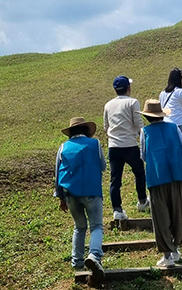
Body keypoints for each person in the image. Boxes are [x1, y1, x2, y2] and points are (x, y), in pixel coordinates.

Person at [139, 99, 182, 268]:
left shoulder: (144, 132)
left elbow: (143, 155)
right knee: (177, 211)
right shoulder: (173, 127)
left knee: (160, 215)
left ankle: (167, 254)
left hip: (157, 176)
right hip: (176, 174)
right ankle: (175, 248)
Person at [55, 117, 106, 282]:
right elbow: (103, 166)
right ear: (86, 130)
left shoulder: (63, 147)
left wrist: (61, 197)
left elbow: (57, 174)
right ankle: (94, 255)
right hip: (92, 191)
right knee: (97, 226)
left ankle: (76, 261)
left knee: (79, 227)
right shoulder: (95, 144)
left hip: (70, 193)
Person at [104, 76, 149, 221]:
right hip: (129, 144)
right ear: (128, 88)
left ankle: (117, 210)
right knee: (139, 173)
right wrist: (140, 137)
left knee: (115, 179)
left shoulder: (108, 104)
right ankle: (142, 201)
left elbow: (106, 126)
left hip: (114, 146)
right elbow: (138, 123)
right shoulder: (133, 102)